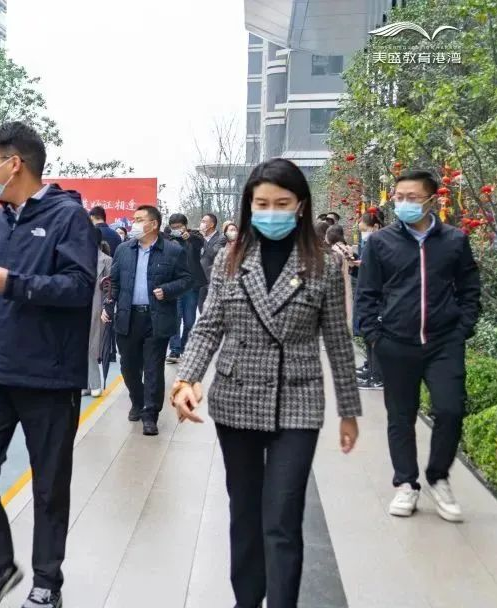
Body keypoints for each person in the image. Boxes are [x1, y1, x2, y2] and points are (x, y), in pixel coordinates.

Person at [171, 158, 361, 608]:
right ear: (249, 206)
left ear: (300, 206)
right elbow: (209, 325)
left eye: (282, 203)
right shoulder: (229, 260)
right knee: (244, 513)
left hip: (297, 400)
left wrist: (349, 411)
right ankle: (247, 600)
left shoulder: (323, 265)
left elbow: (337, 340)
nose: (271, 211)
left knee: (282, 517)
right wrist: (186, 378)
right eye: (262, 204)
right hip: (236, 399)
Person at [0, 121, 96, 608]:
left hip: (48, 376)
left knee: (49, 483)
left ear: (15, 164)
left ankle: (47, 582)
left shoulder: (68, 218)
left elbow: (79, 287)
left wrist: (12, 284)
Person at [357, 169, 481, 523]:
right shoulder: (381, 242)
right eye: (399, 197)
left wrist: (462, 328)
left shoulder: (454, 240)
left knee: (450, 409)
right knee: (401, 416)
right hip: (396, 343)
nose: (403, 203)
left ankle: (438, 477)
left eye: (412, 197)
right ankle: (406, 483)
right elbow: (367, 293)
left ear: (431, 200)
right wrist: (375, 336)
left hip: (444, 342)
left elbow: (469, 288)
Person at [104, 205, 192, 434]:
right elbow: (113, 282)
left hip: (157, 318)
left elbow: (186, 280)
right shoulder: (123, 250)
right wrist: (108, 306)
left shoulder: (173, 251)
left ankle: (150, 414)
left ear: (153, 224)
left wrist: (168, 290)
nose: (134, 223)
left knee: (153, 368)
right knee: (128, 367)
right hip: (128, 317)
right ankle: (137, 399)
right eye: (134, 219)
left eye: (139, 219)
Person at [165, 213, 206, 364]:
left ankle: (184, 346)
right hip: (174, 284)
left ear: (185, 226)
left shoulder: (194, 237)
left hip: (191, 285)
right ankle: (175, 350)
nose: (176, 230)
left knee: (189, 321)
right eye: (173, 227)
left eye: (179, 227)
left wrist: (189, 237)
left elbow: (200, 242)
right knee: (175, 318)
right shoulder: (168, 239)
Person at [354, 209, 385, 389]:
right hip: (367, 294)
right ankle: (372, 371)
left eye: (364, 229)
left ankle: (377, 376)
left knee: (375, 335)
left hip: (378, 297)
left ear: (375, 226)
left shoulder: (382, 243)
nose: (363, 233)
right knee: (368, 334)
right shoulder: (370, 243)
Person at [87, 234, 114, 398]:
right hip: (79, 307)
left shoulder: (107, 261)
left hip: (98, 309)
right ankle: (87, 384)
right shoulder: (77, 258)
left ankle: (95, 383)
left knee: (91, 347)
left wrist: (107, 307)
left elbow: (111, 289)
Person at [198, 213, 225, 307]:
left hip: (213, 279)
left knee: (213, 308)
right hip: (200, 280)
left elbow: (213, 253)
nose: (201, 223)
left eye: (204, 221)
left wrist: (202, 239)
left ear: (212, 224)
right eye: (201, 221)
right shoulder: (198, 237)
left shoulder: (221, 238)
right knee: (201, 307)